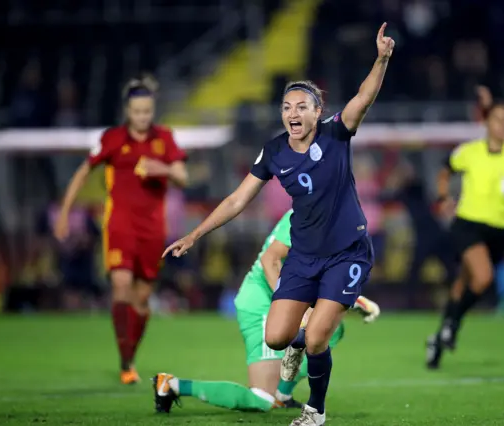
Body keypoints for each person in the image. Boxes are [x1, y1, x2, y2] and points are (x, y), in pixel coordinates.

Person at [164, 23, 394, 426]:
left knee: (319, 336)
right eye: (287, 107)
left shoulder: (336, 134)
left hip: (347, 252)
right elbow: (238, 199)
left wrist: (382, 59)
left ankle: (315, 411)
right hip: (304, 257)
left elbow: (364, 98)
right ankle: (296, 347)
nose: (292, 113)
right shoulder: (273, 151)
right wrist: (195, 234)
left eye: (301, 106)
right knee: (276, 337)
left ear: (317, 112)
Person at [153, 209, 380, 414]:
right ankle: (172, 385)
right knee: (261, 399)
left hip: (282, 298)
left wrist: (350, 299)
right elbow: (270, 261)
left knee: (331, 329)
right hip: (260, 303)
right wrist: (293, 306)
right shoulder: (305, 212)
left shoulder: (332, 215)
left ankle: (283, 395)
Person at [54, 74, 188, 384]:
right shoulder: (112, 139)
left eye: (147, 112)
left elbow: (182, 176)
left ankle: (130, 355)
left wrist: (162, 168)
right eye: (137, 112)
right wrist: (64, 212)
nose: (142, 117)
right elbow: (82, 172)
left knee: (142, 301)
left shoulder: (164, 138)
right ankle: (125, 362)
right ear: (128, 111)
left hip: (153, 229)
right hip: (120, 225)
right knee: (121, 286)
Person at [426, 99, 504, 369]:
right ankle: (452, 324)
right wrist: (444, 197)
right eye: (497, 119)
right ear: (487, 123)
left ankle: (440, 337)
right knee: (483, 276)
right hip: (468, 223)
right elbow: (445, 169)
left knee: (465, 282)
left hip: (499, 229)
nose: (502, 124)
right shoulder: (470, 151)